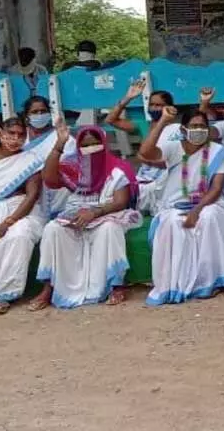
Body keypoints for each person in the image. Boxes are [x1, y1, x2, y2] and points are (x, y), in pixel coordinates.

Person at [30, 123, 141, 310]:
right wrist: (60, 144)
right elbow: (49, 178)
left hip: (107, 213)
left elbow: (121, 201)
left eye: (95, 143)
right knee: (52, 230)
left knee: (109, 229)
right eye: (86, 144)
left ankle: (116, 285)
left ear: (103, 142)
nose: (90, 148)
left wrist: (94, 213)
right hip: (76, 213)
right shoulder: (74, 166)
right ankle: (48, 288)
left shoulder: (117, 168)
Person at [138, 107, 224, 305]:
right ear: (184, 129)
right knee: (173, 222)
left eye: (202, 126)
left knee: (209, 217)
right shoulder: (174, 147)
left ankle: (208, 281)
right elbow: (145, 152)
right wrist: (163, 122)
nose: (199, 130)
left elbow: (216, 188)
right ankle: (175, 284)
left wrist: (196, 210)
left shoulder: (217, 152)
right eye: (194, 126)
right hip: (174, 204)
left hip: (209, 202)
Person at [105, 80, 182, 214]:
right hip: (144, 178)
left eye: (159, 105)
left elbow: (173, 162)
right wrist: (128, 98)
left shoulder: (177, 130)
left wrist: (145, 159)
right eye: (151, 104)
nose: (153, 108)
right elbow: (110, 120)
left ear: (169, 107)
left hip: (166, 179)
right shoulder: (144, 125)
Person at [0, 118, 44, 314]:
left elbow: (32, 196)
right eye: (11, 133)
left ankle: (3, 293)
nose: (15, 139)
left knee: (19, 235)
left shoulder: (29, 160)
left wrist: (8, 222)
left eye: (21, 135)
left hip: (21, 211)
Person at [22, 95, 76, 218]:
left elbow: (66, 169)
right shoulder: (20, 137)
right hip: (27, 195)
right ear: (27, 117)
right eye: (35, 112)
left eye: (43, 111)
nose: (39, 115)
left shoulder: (63, 137)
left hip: (57, 194)